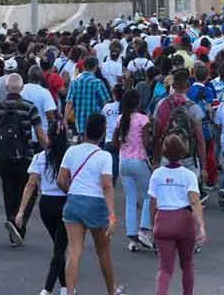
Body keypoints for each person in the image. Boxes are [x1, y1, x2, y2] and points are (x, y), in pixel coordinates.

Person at [58, 113, 125, 295]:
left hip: (73, 201)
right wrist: (111, 213)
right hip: (96, 204)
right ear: (103, 133)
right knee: (103, 251)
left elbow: (61, 179)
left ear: (85, 130)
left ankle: (69, 291)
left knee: (74, 251)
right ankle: (111, 291)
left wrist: (70, 191)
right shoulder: (104, 156)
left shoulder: (72, 151)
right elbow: (106, 185)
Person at [0, 72, 47, 246]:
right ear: (22, 88)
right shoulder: (29, 108)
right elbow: (39, 133)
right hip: (25, 156)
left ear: (6, 88)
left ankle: (11, 220)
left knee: (9, 191)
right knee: (30, 191)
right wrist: (49, 150)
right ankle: (19, 221)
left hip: (5, 157)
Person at [16, 121, 69, 295]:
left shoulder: (40, 157)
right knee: (60, 249)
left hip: (45, 204)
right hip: (64, 203)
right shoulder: (69, 157)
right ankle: (47, 289)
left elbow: (31, 185)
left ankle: (65, 287)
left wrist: (22, 211)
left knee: (58, 246)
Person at [149, 134, 205, 295]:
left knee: (164, 268)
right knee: (187, 264)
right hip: (184, 221)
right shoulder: (188, 175)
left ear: (164, 152)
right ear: (183, 151)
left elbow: (153, 202)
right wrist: (201, 226)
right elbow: (195, 202)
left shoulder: (157, 174)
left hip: (163, 220)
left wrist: (154, 223)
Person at [113, 88, 154, 251]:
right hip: (139, 160)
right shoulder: (143, 119)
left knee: (130, 199)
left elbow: (115, 140)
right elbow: (146, 142)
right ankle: (144, 229)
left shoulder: (121, 118)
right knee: (148, 196)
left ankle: (132, 235)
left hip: (124, 161)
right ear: (138, 102)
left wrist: (123, 148)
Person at [65, 56, 111, 138]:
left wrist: (65, 120)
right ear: (95, 67)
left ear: (83, 67)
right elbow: (106, 103)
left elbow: (69, 103)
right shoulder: (97, 83)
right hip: (95, 123)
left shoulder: (75, 82)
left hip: (79, 123)